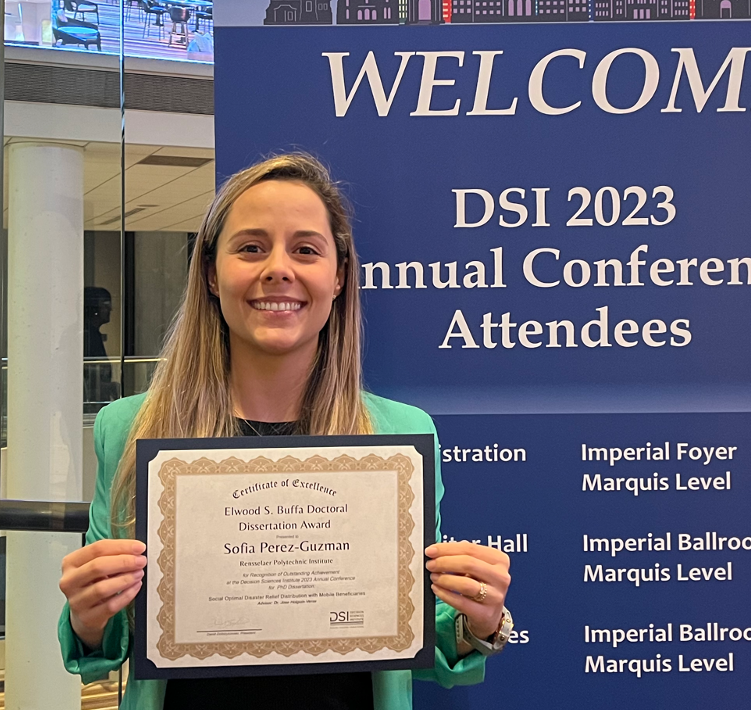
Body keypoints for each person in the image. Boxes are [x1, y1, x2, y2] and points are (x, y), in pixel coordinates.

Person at [57, 153, 514, 710]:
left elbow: (422, 634)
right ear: (209, 272)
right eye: (250, 247)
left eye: (306, 249)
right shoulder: (131, 428)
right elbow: (107, 644)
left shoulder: (399, 435)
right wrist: (89, 612)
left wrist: (479, 620)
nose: (278, 268)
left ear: (339, 275)